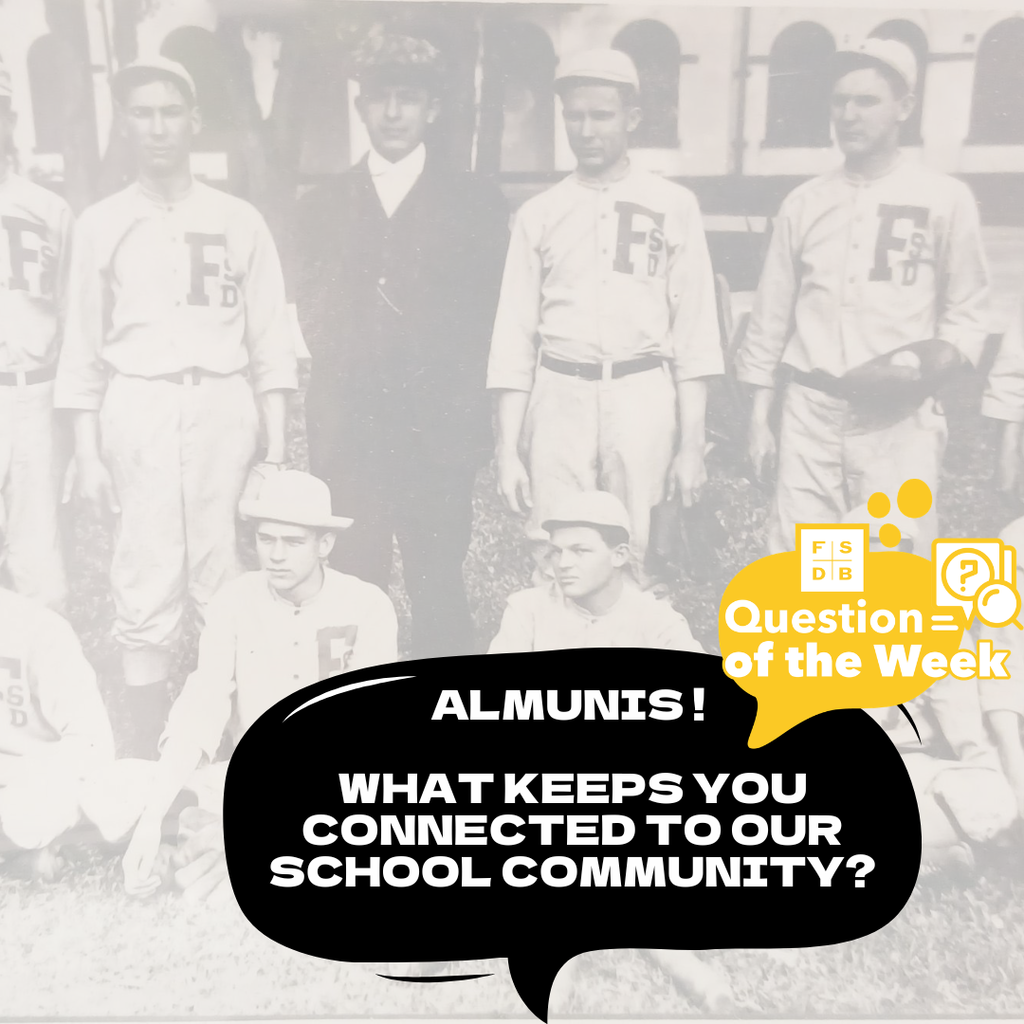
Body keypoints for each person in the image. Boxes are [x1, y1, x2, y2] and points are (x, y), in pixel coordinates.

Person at [54, 57, 298, 756]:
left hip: (222, 400)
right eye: (142, 113)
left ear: (194, 122)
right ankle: (143, 753)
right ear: (124, 124)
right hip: (139, 402)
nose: (157, 127)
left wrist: (276, 450)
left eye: (170, 112)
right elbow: (82, 348)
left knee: (225, 568)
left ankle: (235, 741)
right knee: (145, 566)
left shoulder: (237, 218)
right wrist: (87, 453)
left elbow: (268, 341)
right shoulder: (101, 224)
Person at [296, 32, 508, 659]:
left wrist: (465, 419)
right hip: (351, 430)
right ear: (361, 107)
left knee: (438, 577)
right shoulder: (322, 205)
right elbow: (311, 313)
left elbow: (487, 320)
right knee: (357, 581)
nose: (393, 113)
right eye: (380, 98)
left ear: (432, 110)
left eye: (408, 99)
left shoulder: (475, 203)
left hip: (436, 432)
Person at [734, 38, 989, 554]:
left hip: (896, 418)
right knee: (813, 568)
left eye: (866, 101)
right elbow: (769, 320)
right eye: (839, 101)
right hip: (811, 408)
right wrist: (759, 419)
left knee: (894, 561)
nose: (848, 115)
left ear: (905, 107)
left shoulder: (944, 198)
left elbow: (968, 311)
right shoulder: (804, 202)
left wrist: (928, 364)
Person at [486, 48, 723, 575]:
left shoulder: (672, 204)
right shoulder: (538, 214)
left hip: (641, 394)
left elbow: (695, 335)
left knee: (636, 551)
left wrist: (691, 447)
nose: (586, 129)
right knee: (555, 548)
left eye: (602, 115)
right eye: (575, 115)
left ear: (632, 118)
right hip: (558, 396)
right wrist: (508, 448)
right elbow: (514, 338)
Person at [110, 470, 398, 898]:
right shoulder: (234, 601)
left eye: (293, 542)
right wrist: (152, 820)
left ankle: (215, 854)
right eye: (266, 539)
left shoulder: (367, 605)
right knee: (131, 786)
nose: (276, 555)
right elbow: (201, 706)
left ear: (325, 544)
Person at [0, 58, 74, 611]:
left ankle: (40, 686)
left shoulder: (47, 208)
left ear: (11, 117)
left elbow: (72, 316)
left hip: (31, 394)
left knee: (38, 561)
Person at [488, 490, 704, 653]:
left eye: (579, 550)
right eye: (556, 551)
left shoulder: (656, 621)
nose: (563, 563)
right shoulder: (528, 610)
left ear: (619, 555)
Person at [0, 579, 115, 875]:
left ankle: (18, 851)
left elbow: (91, 742)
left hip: (33, 778)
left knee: (32, 813)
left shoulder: (37, 628)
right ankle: (18, 862)